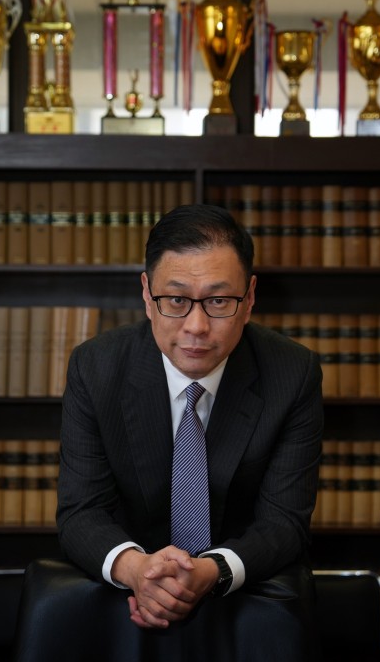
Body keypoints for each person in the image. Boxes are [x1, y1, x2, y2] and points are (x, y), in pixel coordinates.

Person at [55, 202, 324, 657]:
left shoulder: (292, 372)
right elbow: (81, 510)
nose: (196, 327)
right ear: (146, 293)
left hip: (244, 608)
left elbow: (284, 522)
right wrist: (137, 569)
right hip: (122, 609)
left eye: (219, 301)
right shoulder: (96, 367)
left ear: (250, 297)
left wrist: (210, 572)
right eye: (176, 300)